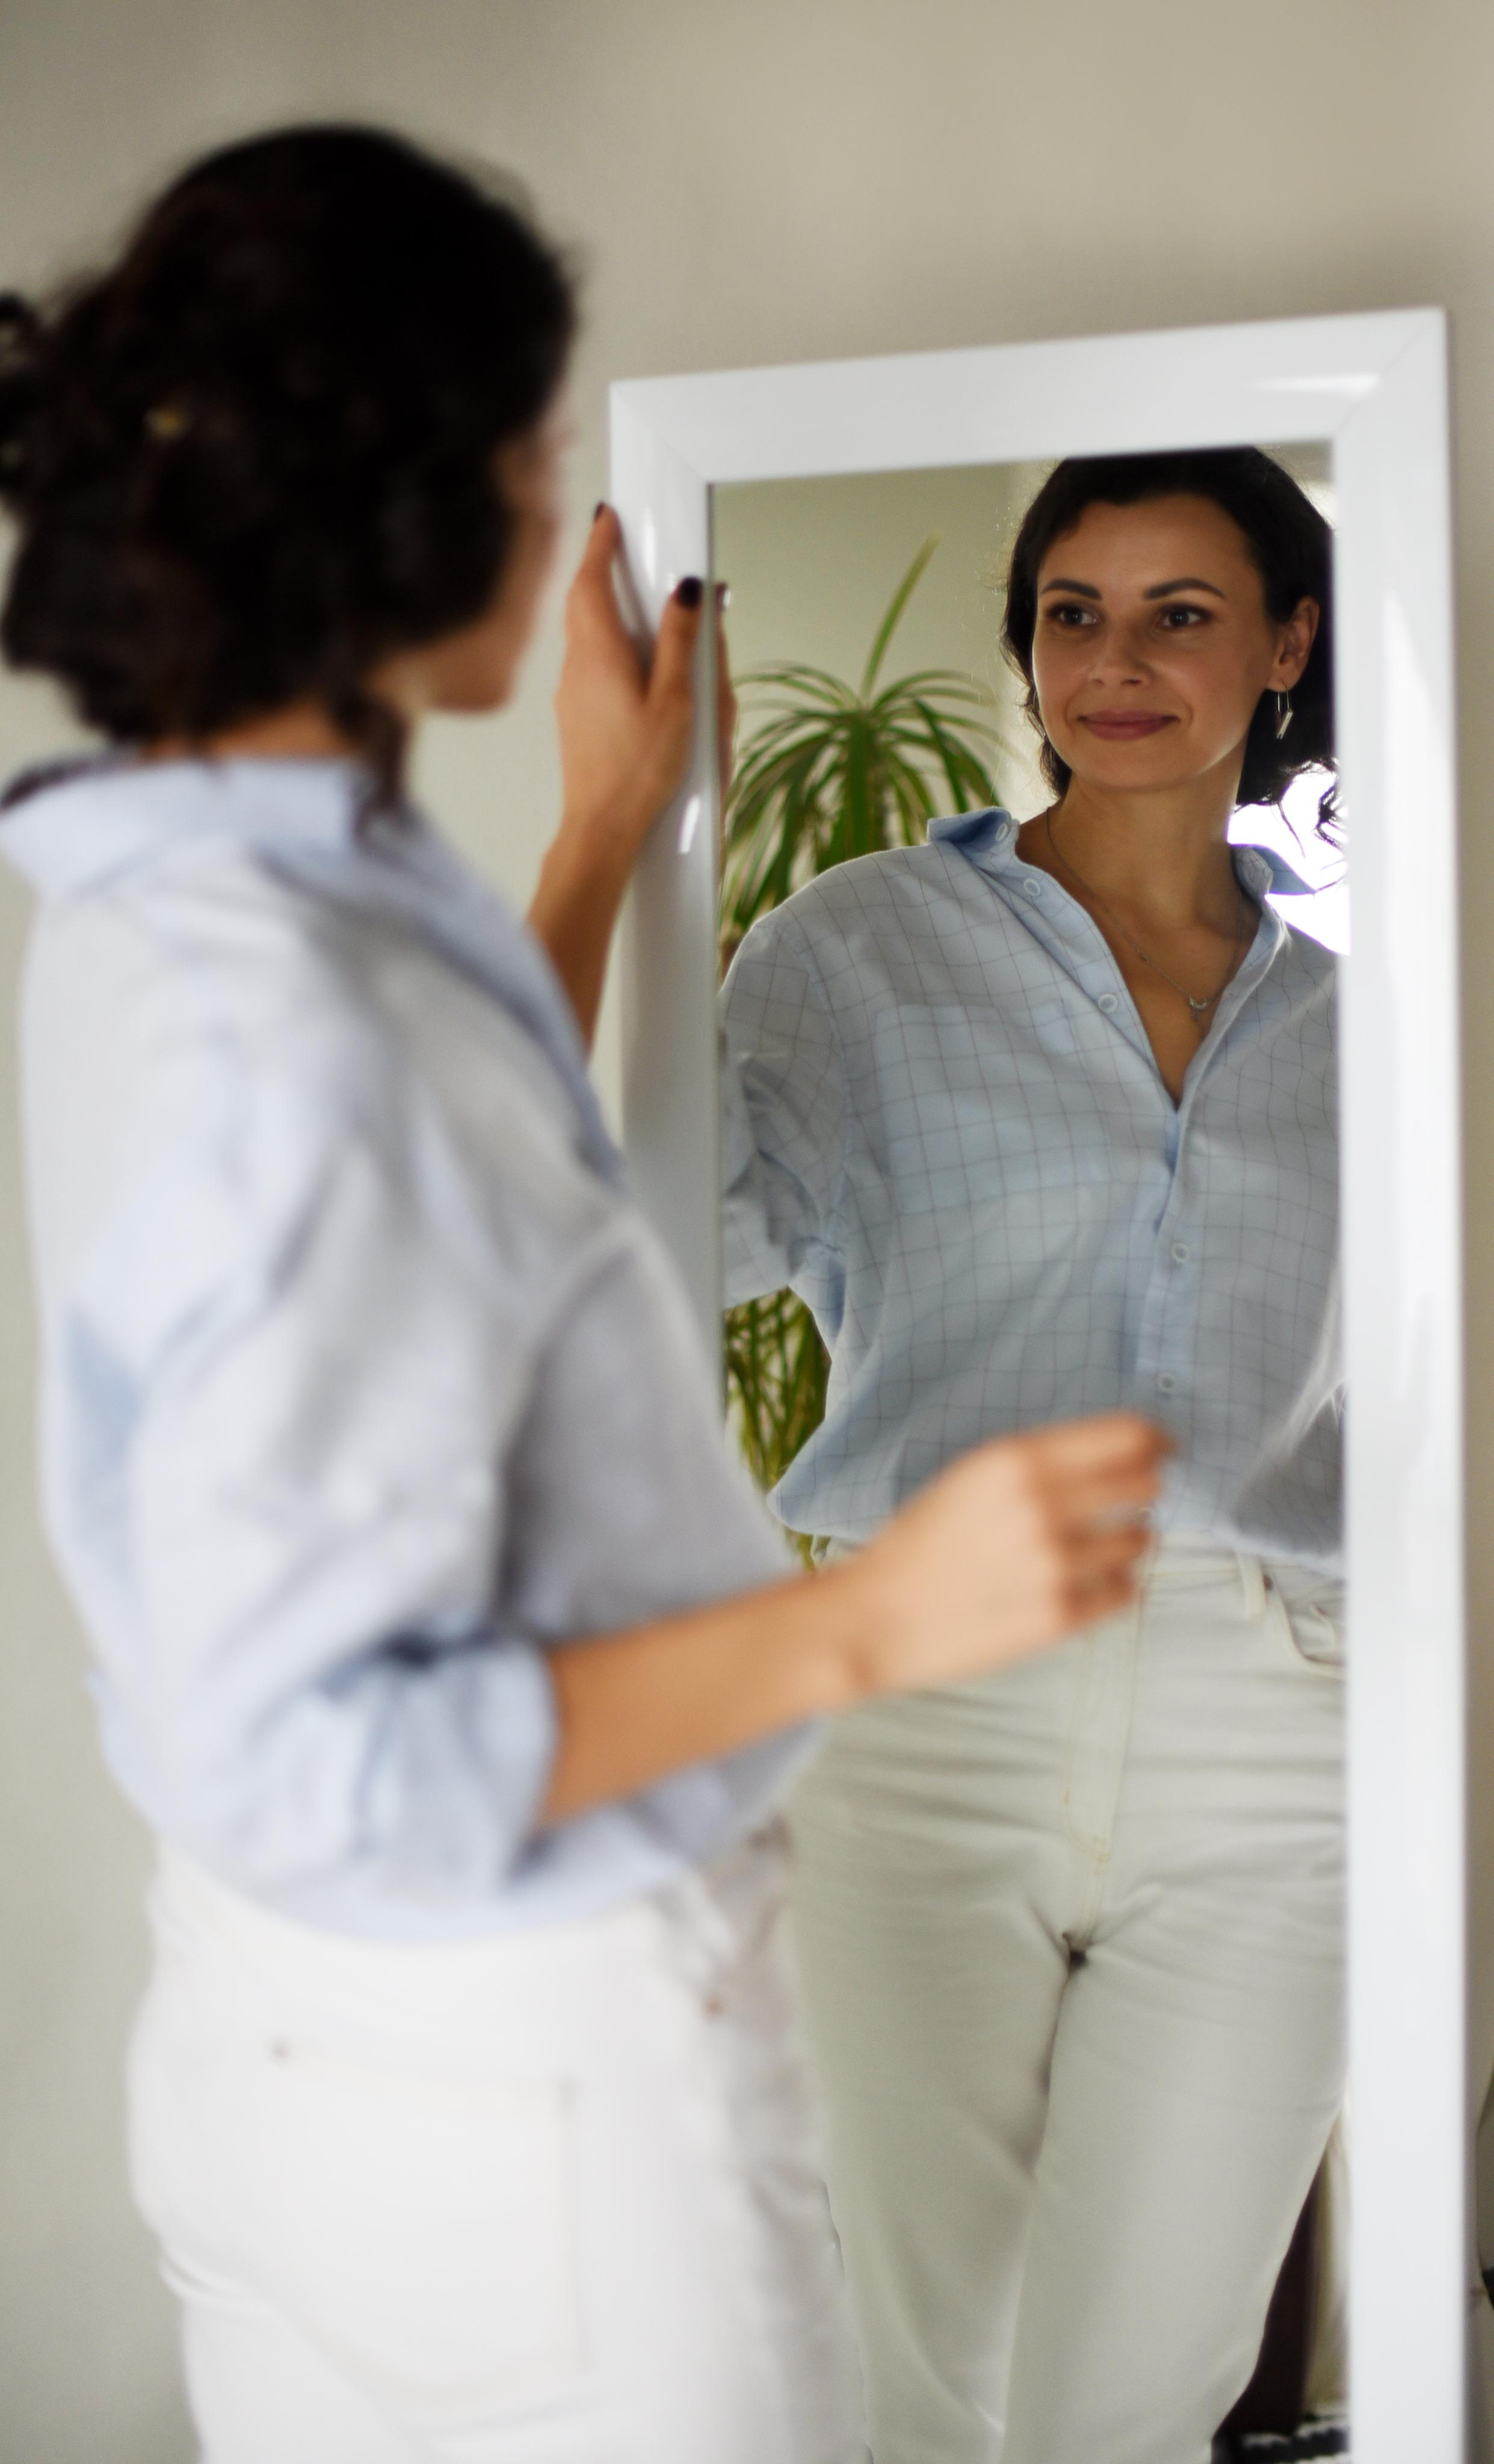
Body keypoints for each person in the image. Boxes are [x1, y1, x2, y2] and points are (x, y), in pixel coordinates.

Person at [0, 128, 1166, 2464]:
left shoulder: (228, 885)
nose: (556, 507)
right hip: (508, 2100)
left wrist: (594, 842)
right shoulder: (277, 1017)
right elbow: (326, 1750)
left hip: (375, 2071)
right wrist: (876, 1619)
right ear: (400, 492)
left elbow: (444, 1186)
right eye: (534, 445)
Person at [717, 449, 1345, 2463]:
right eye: (1073, 611)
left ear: (1284, 646)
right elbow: (635, 1246)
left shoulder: (1375, 1028)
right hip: (931, 1694)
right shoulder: (847, 952)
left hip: (1276, 1710)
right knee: (930, 2378)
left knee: (1140, 2384)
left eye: (1180, 611)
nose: (1117, 662)